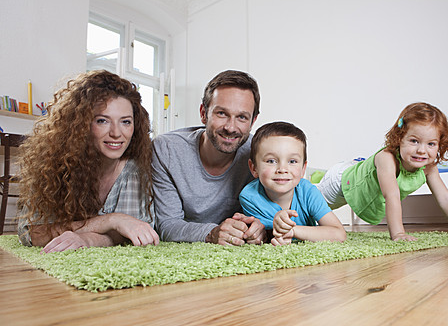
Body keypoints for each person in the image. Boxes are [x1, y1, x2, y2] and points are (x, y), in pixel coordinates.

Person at [17, 70, 160, 252]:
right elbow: (35, 233)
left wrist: (87, 239)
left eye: (125, 122)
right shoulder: (54, 165)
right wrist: (112, 220)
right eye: (102, 121)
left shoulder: (134, 169)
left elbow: (132, 233)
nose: (116, 133)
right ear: (81, 125)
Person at [316, 102, 448, 242]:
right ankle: (302, 186)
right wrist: (398, 233)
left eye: (431, 144)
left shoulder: (429, 168)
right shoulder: (387, 158)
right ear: (399, 139)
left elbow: (445, 197)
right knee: (307, 205)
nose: (422, 150)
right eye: (414, 141)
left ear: (440, 145)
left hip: (361, 184)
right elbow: (391, 195)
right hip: (342, 182)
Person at [152, 70, 266, 245]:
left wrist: (262, 228)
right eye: (221, 113)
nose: (230, 127)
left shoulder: (260, 153)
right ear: (203, 113)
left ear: (253, 121)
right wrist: (212, 233)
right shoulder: (166, 150)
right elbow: (167, 224)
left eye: (242, 117)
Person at [239, 122, 346, 246]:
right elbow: (264, 236)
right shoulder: (250, 196)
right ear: (254, 168)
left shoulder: (308, 192)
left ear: (303, 169)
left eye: (292, 161)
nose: (282, 169)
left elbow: (339, 234)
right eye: (271, 161)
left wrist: (293, 231)